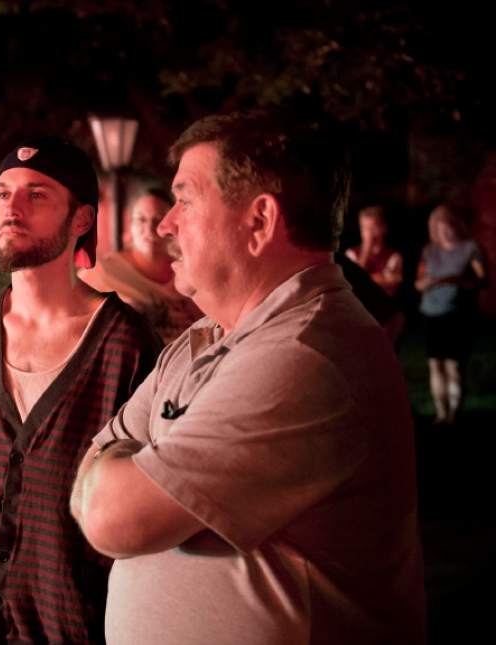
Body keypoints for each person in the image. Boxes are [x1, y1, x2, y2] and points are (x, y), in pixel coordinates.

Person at [70, 111, 425, 644]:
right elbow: (90, 473)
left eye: (185, 200)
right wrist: (120, 467)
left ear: (259, 221)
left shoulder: (306, 354)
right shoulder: (206, 339)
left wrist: (126, 464)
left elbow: (108, 517)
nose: (167, 224)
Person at [0, 137, 160, 645]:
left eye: (37, 194)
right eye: (3, 193)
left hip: (75, 630)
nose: (12, 208)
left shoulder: (126, 347)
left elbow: (147, 514)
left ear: (80, 220)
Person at [80, 189, 202, 343]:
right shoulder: (101, 273)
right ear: (130, 226)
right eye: (141, 220)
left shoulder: (188, 271)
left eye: (158, 219)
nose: (149, 229)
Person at [415, 204, 487, 424]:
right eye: (439, 227)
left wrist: (457, 281)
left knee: (453, 365)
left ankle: (454, 413)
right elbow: (418, 283)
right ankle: (441, 413)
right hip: (431, 313)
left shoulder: (470, 249)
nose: (445, 231)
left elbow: (482, 280)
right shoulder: (429, 251)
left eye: (448, 226)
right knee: (435, 363)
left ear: (457, 226)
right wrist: (425, 283)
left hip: (457, 315)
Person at [345, 205, 404, 296]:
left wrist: (364, 279)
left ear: (384, 228)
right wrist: (366, 249)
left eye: (373, 227)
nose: (368, 233)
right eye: (364, 228)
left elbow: (393, 285)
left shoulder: (394, 256)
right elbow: (353, 282)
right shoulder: (351, 253)